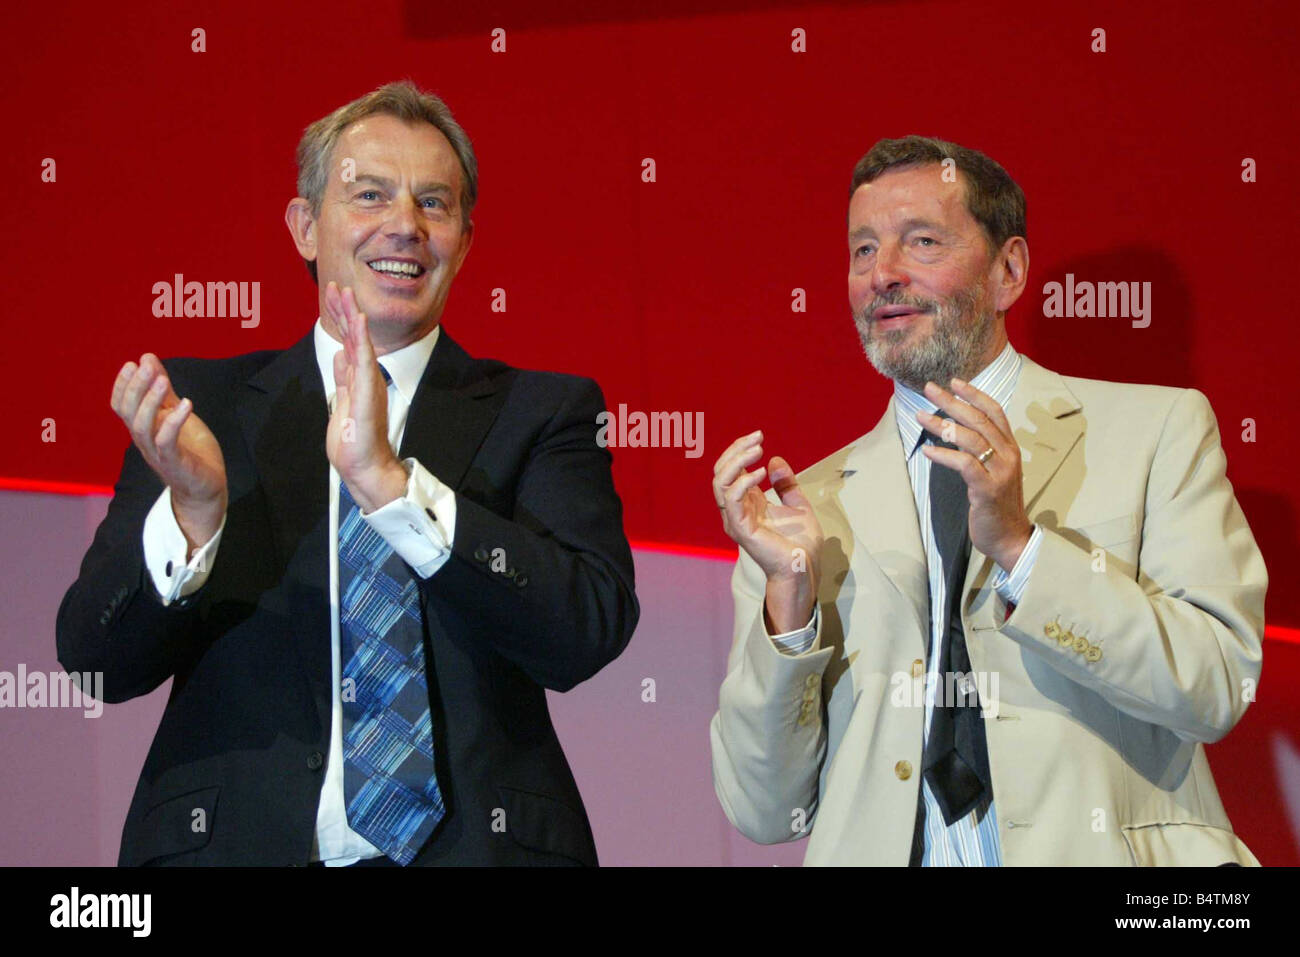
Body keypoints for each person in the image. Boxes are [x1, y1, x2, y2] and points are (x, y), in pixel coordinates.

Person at [56, 81, 638, 866]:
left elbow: (586, 629)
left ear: (464, 240)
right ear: (305, 226)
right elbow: (95, 662)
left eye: (435, 203)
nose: (405, 224)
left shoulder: (542, 412)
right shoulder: (209, 411)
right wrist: (193, 515)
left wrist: (394, 489)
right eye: (370, 194)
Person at [709, 136, 1265, 866]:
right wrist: (789, 607)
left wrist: (1022, 550)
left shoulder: (1157, 432)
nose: (885, 274)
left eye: (922, 242)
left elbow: (1217, 682)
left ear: (1009, 270)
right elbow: (762, 808)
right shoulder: (803, 514)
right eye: (864, 250)